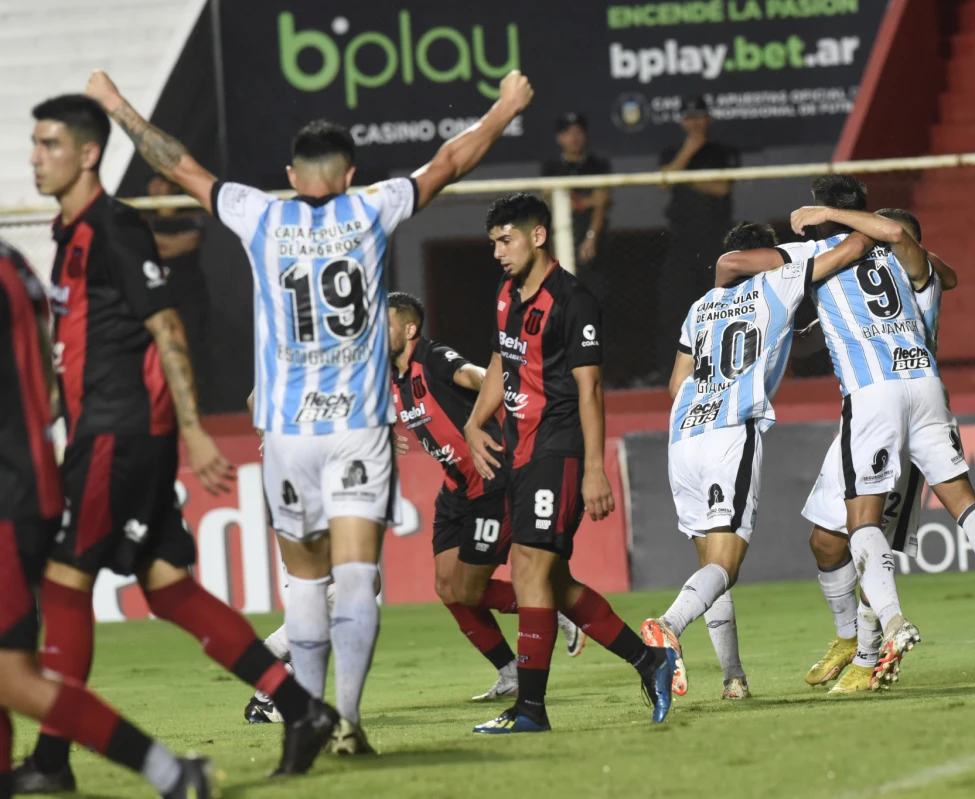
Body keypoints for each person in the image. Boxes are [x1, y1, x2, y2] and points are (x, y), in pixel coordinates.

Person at [82, 67, 536, 754]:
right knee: (357, 578)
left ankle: (308, 718)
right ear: (350, 174)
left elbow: (179, 165)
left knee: (305, 582)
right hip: (357, 426)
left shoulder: (259, 213)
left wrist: (117, 104)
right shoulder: (371, 208)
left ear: (292, 176)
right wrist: (503, 109)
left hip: (288, 434)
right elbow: (449, 159)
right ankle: (349, 719)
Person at [17, 94, 331, 794]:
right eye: (34, 143)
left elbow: (168, 327)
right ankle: (301, 706)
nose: (35, 156)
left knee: (66, 580)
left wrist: (191, 427)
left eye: (49, 144)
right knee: (166, 587)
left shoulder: (115, 227)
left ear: (89, 153)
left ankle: (52, 758)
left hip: (119, 434)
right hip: (103, 432)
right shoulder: (69, 232)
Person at [241, 292, 588, 722]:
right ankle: (270, 680)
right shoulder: (322, 363)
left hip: (354, 483)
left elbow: (463, 378)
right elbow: (265, 402)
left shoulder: (376, 363)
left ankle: (272, 677)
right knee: (347, 588)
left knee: (367, 586)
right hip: (307, 486)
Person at [786, 175, 975, 688]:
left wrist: (828, 226)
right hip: (917, 390)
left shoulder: (855, 257)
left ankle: (878, 643)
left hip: (877, 398)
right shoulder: (906, 267)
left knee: (869, 526)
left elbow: (911, 250)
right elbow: (932, 264)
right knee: (829, 537)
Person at [0, 238, 211, 798]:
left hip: (7, 498)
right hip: (28, 478)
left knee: (10, 676)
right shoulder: (14, 264)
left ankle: (170, 772)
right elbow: (45, 376)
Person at [464, 193, 676, 733]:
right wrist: (473, 422)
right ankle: (649, 660)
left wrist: (594, 467)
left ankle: (530, 709)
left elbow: (592, 389)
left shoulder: (573, 299)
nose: (498, 252)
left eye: (506, 239)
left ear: (538, 236)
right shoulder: (507, 294)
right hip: (520, 449)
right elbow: (499, 360)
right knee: (553, 583)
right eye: (493, 242)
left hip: (557, 448)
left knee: (529, 567)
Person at [640, 222, 873, 699]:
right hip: (730, 432)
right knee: (727, 563)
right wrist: (862, 229)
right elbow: (849, 250)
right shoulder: (779, 280)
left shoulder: (701, 306)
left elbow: (674, 385)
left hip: (683, 435)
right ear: (767, 253)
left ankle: (733, 678)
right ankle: (668, 624)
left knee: (708, 558)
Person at [656, 96, 740, 378]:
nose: (694, 123)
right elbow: (663, 182)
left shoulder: (722, 151)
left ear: (708, 118)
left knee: (718, 302)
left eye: (699, 116)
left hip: (716, 239)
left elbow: (721, 187)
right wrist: (688, 152)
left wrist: (684, 176)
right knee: (677, 305)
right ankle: (678, 370)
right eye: (688, 117)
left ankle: (723, 365)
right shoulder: (672, 152)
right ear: (682, 121)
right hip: (681, 239)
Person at [143, 175, 210, 401]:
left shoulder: (188, 214)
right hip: (157, 295)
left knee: (192, 346)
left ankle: (196, 402)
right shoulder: (143, 216)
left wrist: (155, 242)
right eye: (153, 182)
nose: (157, 187)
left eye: (162, 182)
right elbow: (142, 247)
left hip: (188, 294)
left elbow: (186, 243)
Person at [540, 113, 611, 303]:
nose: (574, 137)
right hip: (560, 241)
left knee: (593, 300)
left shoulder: (598, 165)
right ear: (559, 138)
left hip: (592, 242)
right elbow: (550, 201)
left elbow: (602, 203)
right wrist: (588, 200)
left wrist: (591, 238)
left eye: (578, 131)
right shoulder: (551, 167)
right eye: (568, 132)